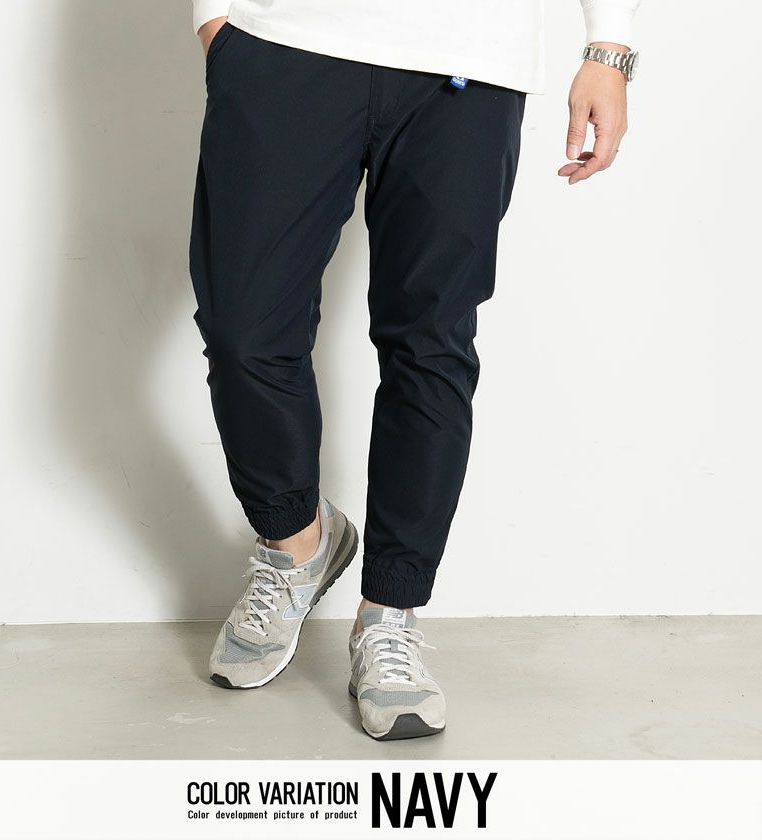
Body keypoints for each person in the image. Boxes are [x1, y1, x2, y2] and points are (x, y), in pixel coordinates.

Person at [188, 0, 641, 740]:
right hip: (287, 40)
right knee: (244, 328)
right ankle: (295, 543)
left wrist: (609, 46)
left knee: (430, 344)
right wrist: (215, 20)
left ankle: (389, 613)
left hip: (468, 63)